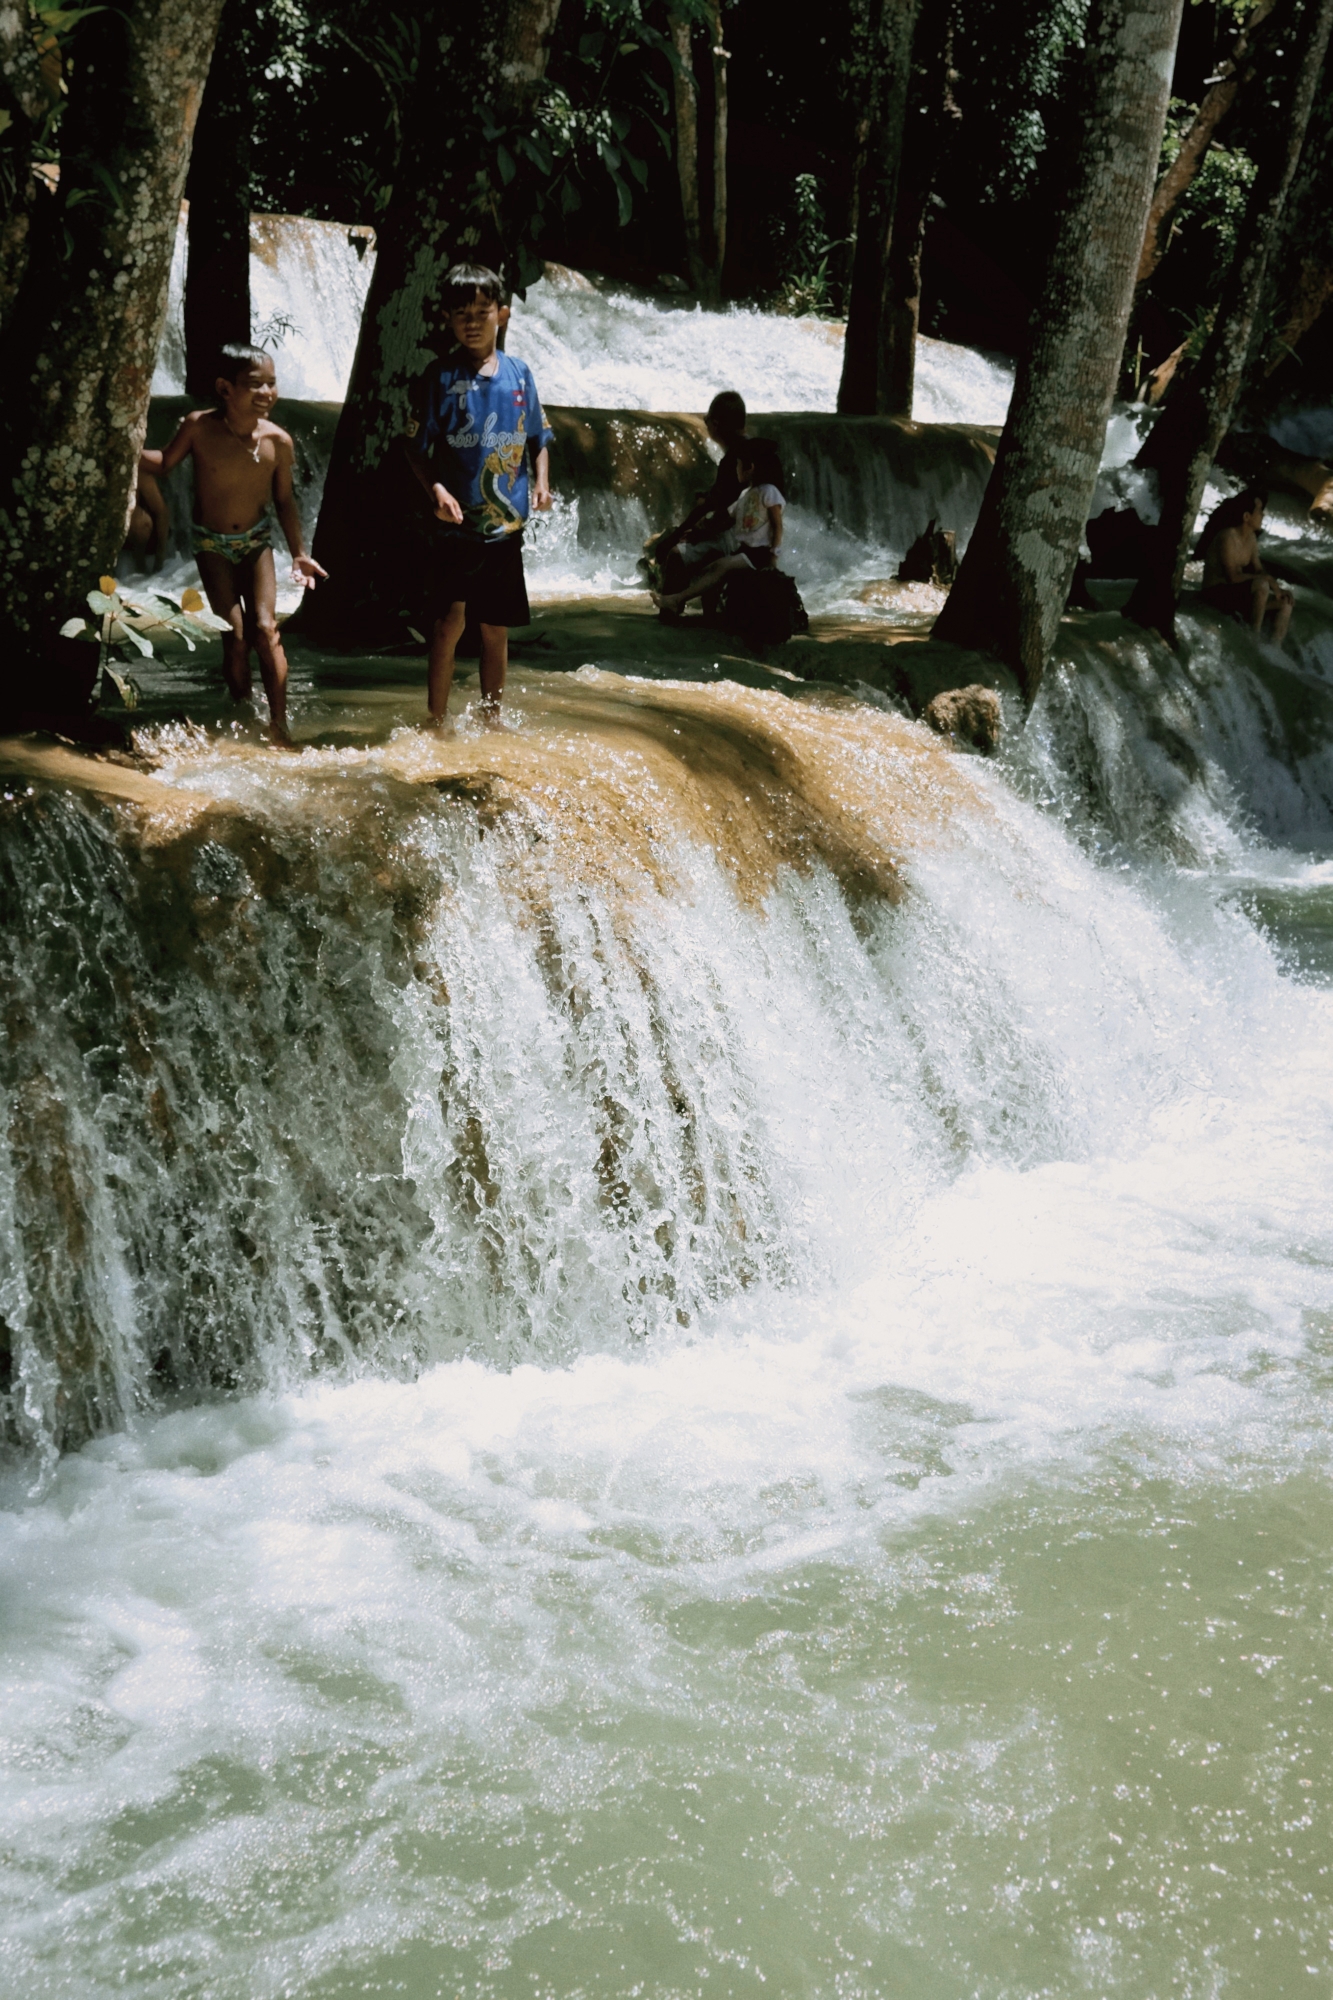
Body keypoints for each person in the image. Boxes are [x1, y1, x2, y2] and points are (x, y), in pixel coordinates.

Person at [145, 343, 326, 744]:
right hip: (211, 545)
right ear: (225, 388)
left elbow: (283, 501)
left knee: (266, 629)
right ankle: (244, 712)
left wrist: (299, 553)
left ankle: (279, 726)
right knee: (236, 635)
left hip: (256, 541)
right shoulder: (199, 426)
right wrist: (120, 452)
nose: (266, 393)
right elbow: (164, 463)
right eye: (254, 385)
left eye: (271, 384)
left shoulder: (278, 441)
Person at [404, 263, 554, 727]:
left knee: (495, 628)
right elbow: (414, 446)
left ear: (502, 315)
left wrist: (543, 481)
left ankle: (492, 719)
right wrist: (438, 490)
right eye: (461, 313)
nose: (472, 322)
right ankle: (435, 719)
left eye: (482, 311)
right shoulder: (439, 378)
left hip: (505, 528)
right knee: (449, 623)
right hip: (457, 527)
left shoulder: (519, 374)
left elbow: (539, 438)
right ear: (448, 319)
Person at [651, 441, 784, 619]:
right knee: (713, 568)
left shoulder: (769, 491)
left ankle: (676, 600)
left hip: (759, 554)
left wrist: (773, 555)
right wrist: (699, 532)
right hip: (745, 551)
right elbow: (728, 521)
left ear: (749, 468)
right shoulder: (745, 495)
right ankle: (700, 611)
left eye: (737, 465)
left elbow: (777, 525)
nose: (735, 468)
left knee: (720, 567)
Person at [644, 389, 750, 605]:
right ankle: (710, 610)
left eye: (707, 420)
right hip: (748, 535)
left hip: (735, 538)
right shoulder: (749, 450)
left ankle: (669, 611)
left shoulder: (733, 460)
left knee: (675, 554)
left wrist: (680, 536)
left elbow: (711, 506)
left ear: (716, 425)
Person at [1197, 486, 1294, 643]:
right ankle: (1253, 639)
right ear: (1247, 516)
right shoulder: (1227, 537)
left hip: (1234, 595)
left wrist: (1278, 589)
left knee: (1285, 602)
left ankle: (1274, 650)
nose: (1263, 515)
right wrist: (1267, 580)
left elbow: (1259, 570)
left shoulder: (1251, 539)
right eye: (1259, 511)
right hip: (1214, 594)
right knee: (1261, 585)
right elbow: (1233, 577)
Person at [123, 452, 170, 571]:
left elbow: (161, 512)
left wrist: (159, 560)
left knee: (141, 522)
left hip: (139, 539)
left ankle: (140, 568)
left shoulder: (138, 470)